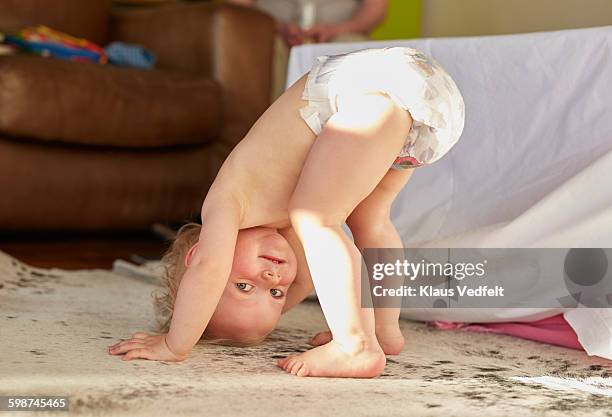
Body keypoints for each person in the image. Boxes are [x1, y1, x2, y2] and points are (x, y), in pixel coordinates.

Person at [107, 46, 466, 378]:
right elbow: (306, 279)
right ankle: (384, 331)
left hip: (366, 88)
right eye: (276, 294)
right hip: (422, 105)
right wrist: (280, 296)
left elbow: (209, 269)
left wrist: (175, 344)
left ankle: (355, 345)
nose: (272, 277)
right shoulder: (280, 229)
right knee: (370, 221)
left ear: (196, 253)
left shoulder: (225, 204)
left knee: (317, 219)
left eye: (244, 285)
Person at [227, 0, 389, 100]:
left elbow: (376, 8)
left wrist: (338, 29)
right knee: (262, 50)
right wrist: (276, 27)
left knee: (352, 52)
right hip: (271, 30)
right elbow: (238, 6)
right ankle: (272, 134)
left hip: (342, 32)